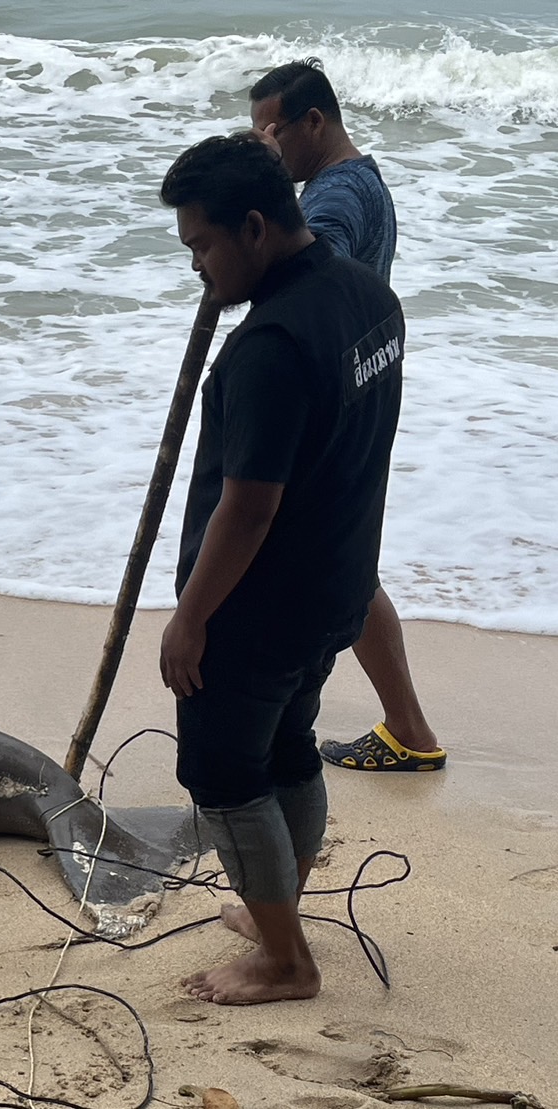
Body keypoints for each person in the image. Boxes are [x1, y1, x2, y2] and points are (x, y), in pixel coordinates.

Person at [158, 132, 404, 1003]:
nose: (197, 267)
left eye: (201, 245)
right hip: (335, 585)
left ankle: (282, 959)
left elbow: (249, 505)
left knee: (225, 779)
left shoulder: (266, 348)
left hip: (257, 612)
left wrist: (189, 618)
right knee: (289, 749)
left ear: (253, 227)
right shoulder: (368, 295)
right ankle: (279, 909)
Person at [249, 58, 445, 773]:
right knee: (350, 567)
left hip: (331, 401)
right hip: (360, 385)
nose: (266, 144)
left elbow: (305, 274)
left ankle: (401, 729)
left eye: (272, 131)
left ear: (312, 121)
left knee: (337, 568)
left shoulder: (335, 195)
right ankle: (407, 727)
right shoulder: (363, 182)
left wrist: (262, 188)